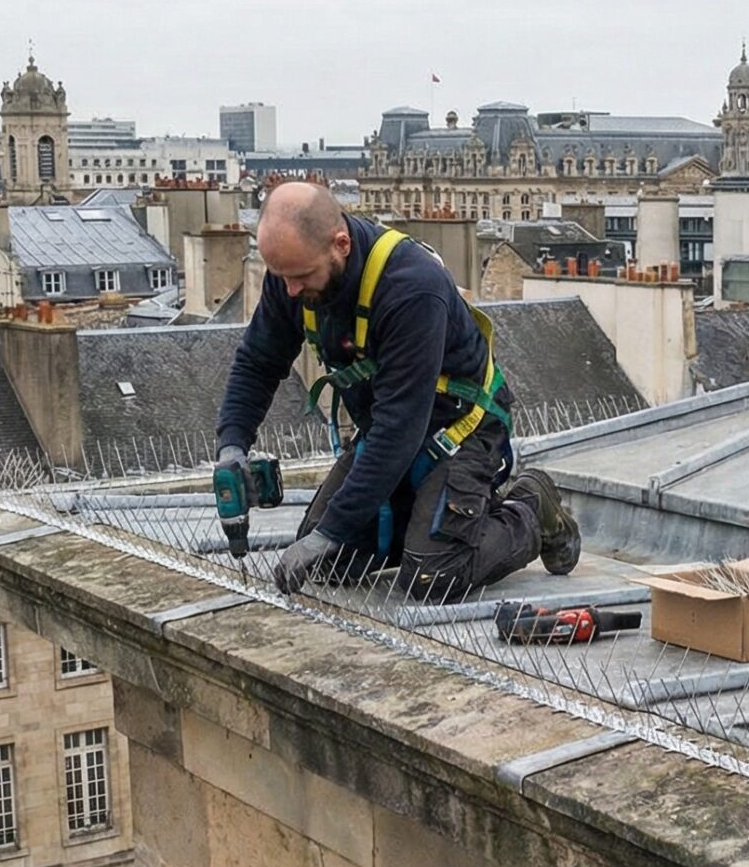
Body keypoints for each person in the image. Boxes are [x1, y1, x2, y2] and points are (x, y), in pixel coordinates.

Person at [217, 183, 578, 597]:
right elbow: (258, 362)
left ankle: (531, 504)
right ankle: (430, 520)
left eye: (300, 276)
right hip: (388, 432)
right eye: (283, 278)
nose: (292, 291)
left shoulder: (411, 287)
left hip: (460, 430)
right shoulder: (292, 278)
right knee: (326, 562)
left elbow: (400, 426)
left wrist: (335, 528)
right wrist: (233, 445)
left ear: (341, 244)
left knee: (432, 577)